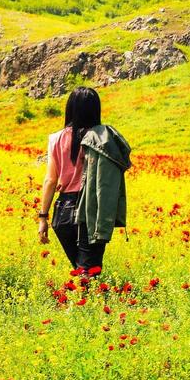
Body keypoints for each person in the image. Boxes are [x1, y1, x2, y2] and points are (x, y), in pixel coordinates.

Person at [36, 87, 132, 274]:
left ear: (70, 108)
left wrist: (43, 218)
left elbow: (50, 180)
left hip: (62, 213)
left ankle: (85, 299)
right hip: (91, 210)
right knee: (88, 273)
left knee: (82, 271)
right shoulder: (102, 140)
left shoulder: (55, 139)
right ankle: (89, 300)